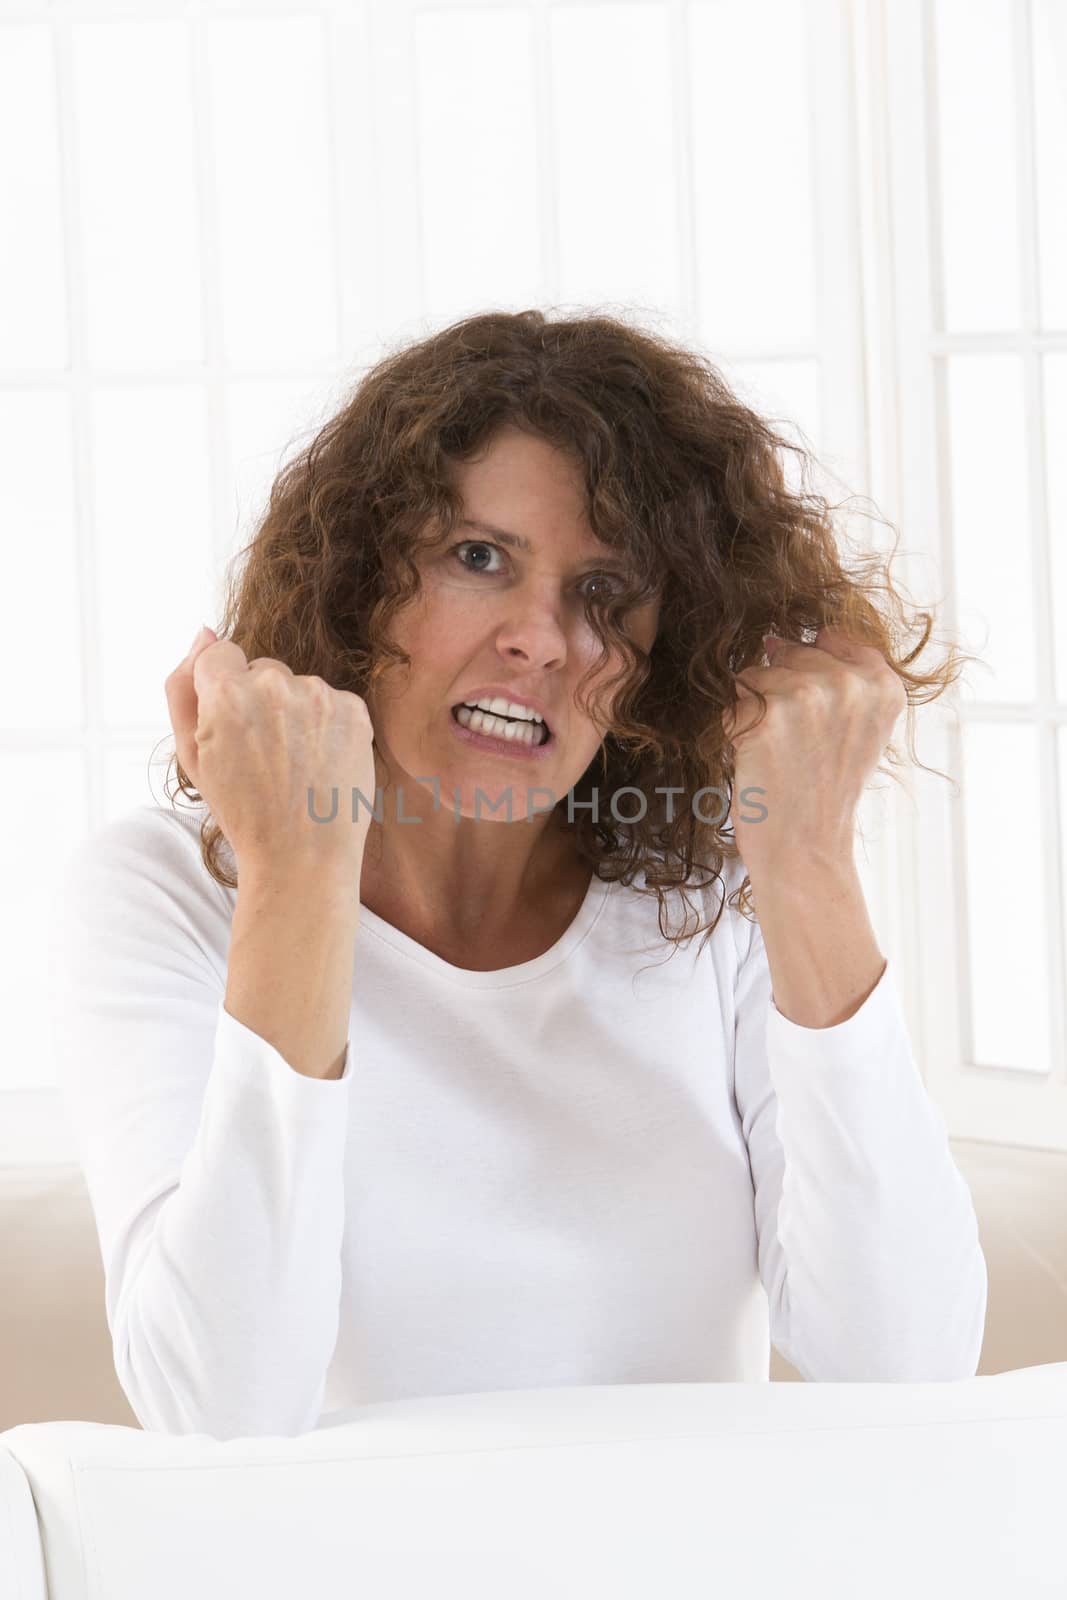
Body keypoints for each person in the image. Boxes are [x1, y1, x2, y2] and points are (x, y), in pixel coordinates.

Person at [49, 309, 988, 1441]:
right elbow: (219, 1413)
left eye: (605, 593)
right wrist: (298, 876)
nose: (539, 639)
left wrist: (804, 862)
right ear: (359, 585)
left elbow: (910, 1377)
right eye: (477, 557)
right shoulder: (164, 894)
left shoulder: (705, 904)